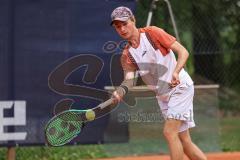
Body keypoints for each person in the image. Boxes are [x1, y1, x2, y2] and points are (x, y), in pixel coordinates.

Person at [110, 6, 207, 160]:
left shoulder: (152, 33)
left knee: (169, 133)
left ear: (133, 20)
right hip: (163, 96)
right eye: (118, 26)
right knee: (184, 141)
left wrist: (175, 71)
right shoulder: (127, 55)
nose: (122, 29)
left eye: (125, 23)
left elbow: (183, 52)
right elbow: (128, 81)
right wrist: (120, 91)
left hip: (179, 87)